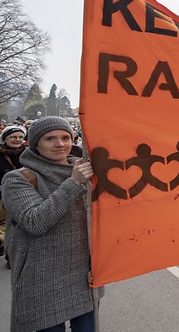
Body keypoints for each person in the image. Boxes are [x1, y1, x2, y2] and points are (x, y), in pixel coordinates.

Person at [2, 116, 103, 332]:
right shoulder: (17, 179)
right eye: (50, 138)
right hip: (41, 280)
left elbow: (102, 223)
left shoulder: (88, 172)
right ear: (35, 143)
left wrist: (102, 264)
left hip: (83, 276)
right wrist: (74, 183)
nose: (60, 144)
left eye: (65, 137)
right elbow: (35, 222)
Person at [0, 125, 28, 264]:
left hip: (25, 194)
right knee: (7, 224)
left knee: (19, 226)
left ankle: (12, 254)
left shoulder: (28, 154)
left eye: (20, 137)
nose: (17, 140)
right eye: (13, 137)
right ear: (5, 139)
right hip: (2, 195)